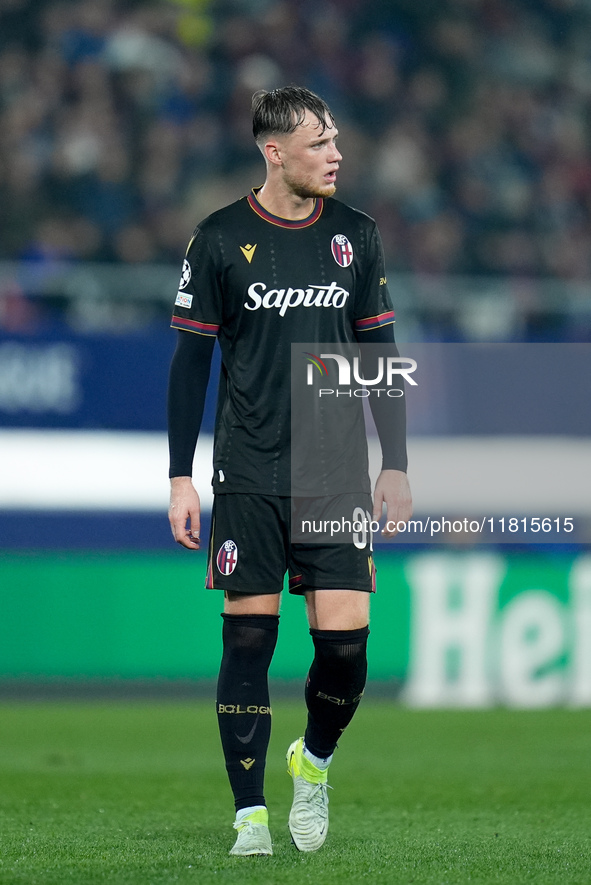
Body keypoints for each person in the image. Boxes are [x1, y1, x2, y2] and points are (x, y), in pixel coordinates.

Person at [167, 86, 412, 856]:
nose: (335, 153)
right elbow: (190, 363)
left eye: (335, 138)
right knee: (248, 642)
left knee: (344, 648)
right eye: (317, 142)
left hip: (336, 475)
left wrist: (394, 462)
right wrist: (181, 474)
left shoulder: (357, 236)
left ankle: (315, 759)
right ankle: (249, 814)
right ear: (274, 151)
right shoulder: (218, 237)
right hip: (249, 470)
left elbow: (378, 352)